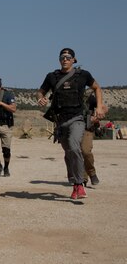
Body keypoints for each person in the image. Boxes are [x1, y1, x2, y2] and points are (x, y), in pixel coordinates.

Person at [37, 48, 105, 199]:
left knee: (75, 148)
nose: (65, 59)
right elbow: (41, 91)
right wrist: (41, 97)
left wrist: (99, 106)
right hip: (60, 121)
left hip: (77, 118)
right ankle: (75, 184)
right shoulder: (52, 76)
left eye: (68, 57)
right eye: (62, 57)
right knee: (68, 153)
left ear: (74, 59)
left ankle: (80, 184)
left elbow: (97, 88)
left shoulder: (83, 75)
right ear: (59, 60)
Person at [78, 91, 108, 186]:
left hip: (87, 128)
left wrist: (96, 117)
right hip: (73, 127)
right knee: (77, 153)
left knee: (86, 151)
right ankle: (83, 178)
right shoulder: (68, 95)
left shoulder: (89, 98)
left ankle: (92, 173)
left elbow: (104, 108)